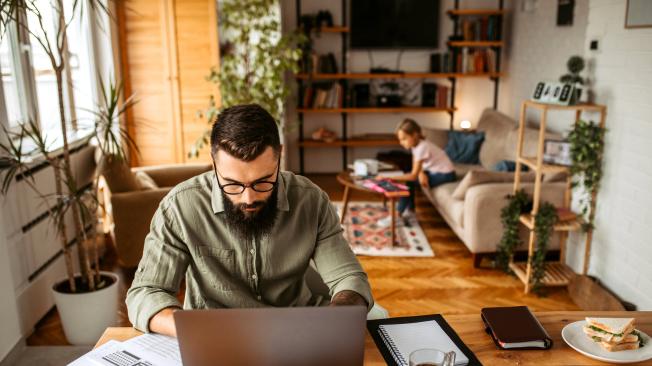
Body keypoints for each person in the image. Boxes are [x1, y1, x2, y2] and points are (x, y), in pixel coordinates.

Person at [126, 104, 373, 337]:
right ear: (214, 164)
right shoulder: (180, 206)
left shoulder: (312, 201)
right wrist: (194, 331)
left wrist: (334, 321)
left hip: (297, 330)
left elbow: (349, 280)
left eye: (263, 182)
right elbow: (145, 293)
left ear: (279, 157)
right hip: (212, 335)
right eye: (232, 184)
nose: (248, 198)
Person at [377, 118, 456, 227]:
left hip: (446, 175)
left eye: (404, 139)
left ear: (415, 134)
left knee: (408, 183)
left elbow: (413, 175)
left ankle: (397, 216)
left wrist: (389, 178)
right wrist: (421, 173)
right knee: (409, 180)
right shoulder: (417, 145)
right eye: (400, 139)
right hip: (435, 170)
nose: (401, 143)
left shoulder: (422, 147)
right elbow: (417, 169)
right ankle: (410, 212)